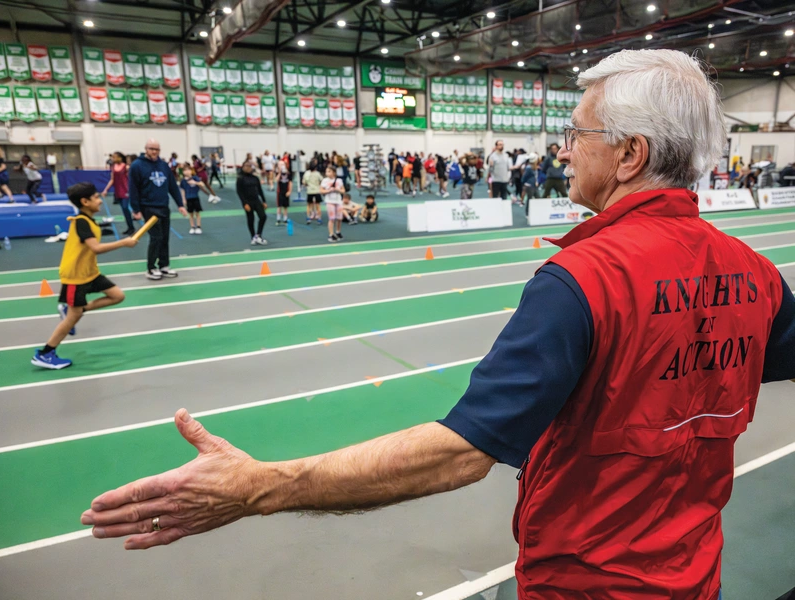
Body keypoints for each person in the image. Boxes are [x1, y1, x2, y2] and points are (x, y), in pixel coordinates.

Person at [81, 50, 795, 600]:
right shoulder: (757, 275)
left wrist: (259, 486)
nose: (566, 148)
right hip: (695, 576)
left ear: (630, 154)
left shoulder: (584, 281)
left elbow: (461, 452)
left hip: (583, 584)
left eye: (577, 134)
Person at [31, 182, 136, 370]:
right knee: (72, 318)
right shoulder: (81, 222)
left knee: (117, 296)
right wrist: (123, 243)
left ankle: (79, 309)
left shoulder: (88, 220)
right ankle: (46, 353)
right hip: (75, 276)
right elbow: (95, 248)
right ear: (85, 201)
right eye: (96, 197)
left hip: (90, 272)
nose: (100, 200)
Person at [129, 139, 188, 280]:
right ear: (146, 149)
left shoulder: (163, 165)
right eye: (151, 148)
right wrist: (136, 209)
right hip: (148, 207)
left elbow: (172, 186)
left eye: (157, 149)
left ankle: (164, 265)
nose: (154, 151)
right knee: (155, 238)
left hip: (163, 206)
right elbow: (133, 188)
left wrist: (180, 204)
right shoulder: (137, 166)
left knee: (164, 238)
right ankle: (151, 268)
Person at [236, 160, 268, 246]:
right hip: (247, 202)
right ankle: (253, 237)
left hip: (256, 200)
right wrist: (244, 203)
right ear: (243, 167)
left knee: (263, 216)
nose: (249, 167)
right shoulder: (240, 179)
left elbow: (260, 190)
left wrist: (264, 201)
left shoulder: (255, 178)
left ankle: (258, 235)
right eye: (247, 166)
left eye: (250, 166)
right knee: (251, 219)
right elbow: (239, 192)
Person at [102, 152, 133, 235]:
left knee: (125, 207)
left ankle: (131, 226)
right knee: (124, 210)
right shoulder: (113, 167)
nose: (113, 159)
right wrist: (106, 190)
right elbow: (112, 180)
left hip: (126, 190)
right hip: (118, 191)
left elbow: (131, 178)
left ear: (120, 158)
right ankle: (130, 227)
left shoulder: (126, 167)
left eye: (115, 157)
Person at [179, 165, 208, 235]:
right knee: (191, 214)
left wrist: (195, 182)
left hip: (195, 198)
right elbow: (182, 190)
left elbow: (202, 184)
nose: (187, 172)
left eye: (189, 170)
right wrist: (183, 199)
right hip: (188, 199)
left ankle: (198, 227)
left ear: (191, 171)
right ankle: (192, 227)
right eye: (185, 170)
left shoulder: (195, 178)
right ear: (183, 172)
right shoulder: (183, 181)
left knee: (197, 213)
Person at [320, 164, 345, 242]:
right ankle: (331, 234)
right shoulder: (324, 181)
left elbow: (343, 191)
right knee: (332, 218)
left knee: (339, 218)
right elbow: (321, 191)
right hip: (329, 201)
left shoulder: (339, 180)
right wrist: (329, 190)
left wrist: (338, 190)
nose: (327, 173)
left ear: (334, 172)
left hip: (338, 201)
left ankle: (338, 232)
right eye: (326, 171)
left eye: (329, 171)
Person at [302, 160, 323, 225]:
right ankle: (319, 218)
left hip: (309, 191)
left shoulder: (306, 173)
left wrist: (307, 185)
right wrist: (318, 184)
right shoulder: (317, 173)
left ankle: (308, 218)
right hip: (317, 190)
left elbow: (304, 182)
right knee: (318, 206)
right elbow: (322, 180)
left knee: (309, 205)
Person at [275, 159, 291, 226]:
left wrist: (289, 191)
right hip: (280, 192)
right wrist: (279, 173)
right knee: (279, 206)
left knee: (285, 206)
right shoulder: (277, 172)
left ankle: (285, 219)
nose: (282, 166)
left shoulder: (288, 173)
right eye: (280, 164)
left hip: (286, 191)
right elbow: (276, 180)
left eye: (283, 164)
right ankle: (278, 219)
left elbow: (290, 182)